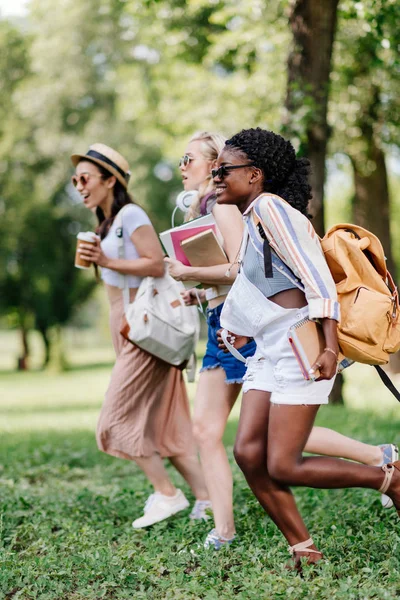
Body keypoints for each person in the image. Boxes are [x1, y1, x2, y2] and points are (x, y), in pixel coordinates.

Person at [166, 131, 398, 550]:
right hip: (270, 348)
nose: (216, 177)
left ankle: (388, 478)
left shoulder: (272, 208)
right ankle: (303, 550)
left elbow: (317, 280)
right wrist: (237, 322)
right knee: (249, 454)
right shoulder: (255, 215)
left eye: (224, 170)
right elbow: (266, 283)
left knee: (284, 463)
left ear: (255, 175)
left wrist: (329, 347)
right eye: (214, 170)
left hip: (303, 347)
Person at [71, 143, 210, 529]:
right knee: (157, 424)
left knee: (112, 423)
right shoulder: (107, 223)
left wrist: (106, 260)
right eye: (75, 180)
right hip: (127, 325)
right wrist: (99, 260)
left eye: (85, 178)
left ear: (109, 179)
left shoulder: (130, 214)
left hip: (144, 326)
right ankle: (208, 498)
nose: (79, 186)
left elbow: (155, 263)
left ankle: (167, 493)